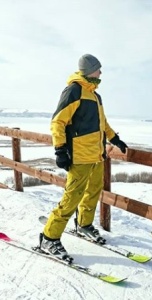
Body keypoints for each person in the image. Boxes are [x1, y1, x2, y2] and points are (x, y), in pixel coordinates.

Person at [41, 54, 128, 259]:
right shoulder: (74, 90)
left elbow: (102, 123)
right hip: (79, 156)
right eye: (98, 69)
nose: (101, 73)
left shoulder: (95, 96)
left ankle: (84, 225)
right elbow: (57, 122)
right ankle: (49, 237)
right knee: (72, 197)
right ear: (89, 70)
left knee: (93, 192)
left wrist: (115, 139)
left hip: (96, 155)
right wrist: (60, 150)